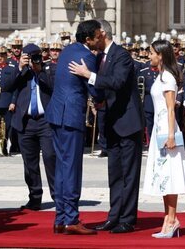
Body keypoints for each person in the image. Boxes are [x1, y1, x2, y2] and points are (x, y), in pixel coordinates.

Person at [69, 19, 144, 234]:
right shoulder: (101, 57)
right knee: (115, 174)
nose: (91, 44)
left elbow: (118, 82)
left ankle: (127, 219)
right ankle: (114, 216)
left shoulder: (121, 55)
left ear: (102, 34)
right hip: (111, 122)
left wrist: (88, 75)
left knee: (129, 174)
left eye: (92, 38)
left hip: (128, 123)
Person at [45, 19, 104, 235]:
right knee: (71, 168)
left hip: (57, 113)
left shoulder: (68, 50)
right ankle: (71, 219)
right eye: (98, 36)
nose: (101, 38)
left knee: (62, 167)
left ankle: (60, 217)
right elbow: (95, 90)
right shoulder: (87, 55)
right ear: (88, 39)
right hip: (70, 115)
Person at [142, 40, 185, 238]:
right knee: (163, 176)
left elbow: (171, 108)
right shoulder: (161, 76)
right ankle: (168, 219)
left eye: (152, 53)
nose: (149, 56)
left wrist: (171, 135)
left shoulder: (168, 77)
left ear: (161, 55)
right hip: (159, 128)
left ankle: (171, 220)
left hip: (167, 130)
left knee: (169, 175)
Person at [6, 44, 56, 211]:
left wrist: (39, 70)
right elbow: (8, 86)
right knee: (30, 163)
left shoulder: (48, 69)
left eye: (36, 56)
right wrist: (20, 68)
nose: (33, 60)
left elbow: (53, 87)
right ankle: (35, 197)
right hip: (26, 122)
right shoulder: (20, 71)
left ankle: (58, 196)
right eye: (29, 56)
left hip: (45, 121)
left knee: (50, 158)